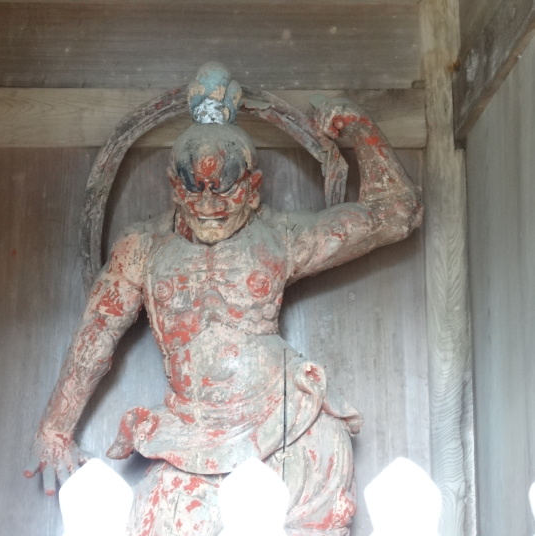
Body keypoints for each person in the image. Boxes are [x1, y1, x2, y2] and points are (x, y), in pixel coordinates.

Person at [25, 63, 423, 535]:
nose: (210, 206)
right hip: (189, 436)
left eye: (225, 191)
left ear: (253, 188)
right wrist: (55, 429)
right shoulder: (142, 250)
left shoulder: (280, 237)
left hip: (287, 425)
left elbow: (395, 214)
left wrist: (362, 131)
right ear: (174, 187)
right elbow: (97, 334)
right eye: (195, 191)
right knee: (159, 514)